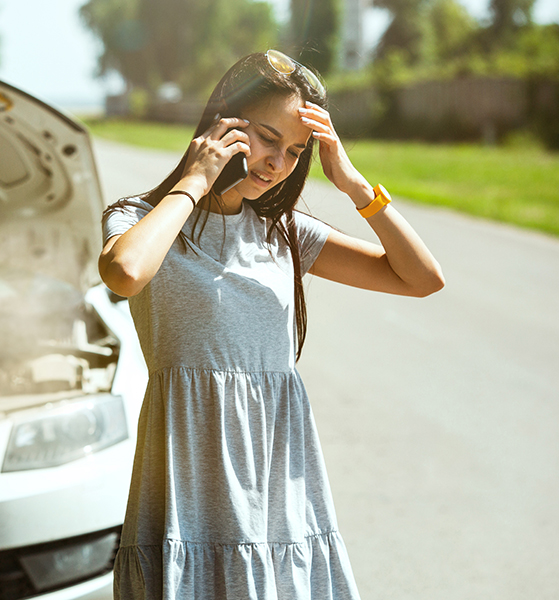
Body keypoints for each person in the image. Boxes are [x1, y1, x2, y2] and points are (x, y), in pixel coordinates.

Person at [99, 50, 444, 599]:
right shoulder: (141, 219)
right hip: (190, 475)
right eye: (265, 137)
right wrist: (194, 182)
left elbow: (422, 278)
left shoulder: (284, 232)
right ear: (223, 123)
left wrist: (354, 184)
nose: (277, 162)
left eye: (294, 151)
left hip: (278, 478)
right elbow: (125, 272)